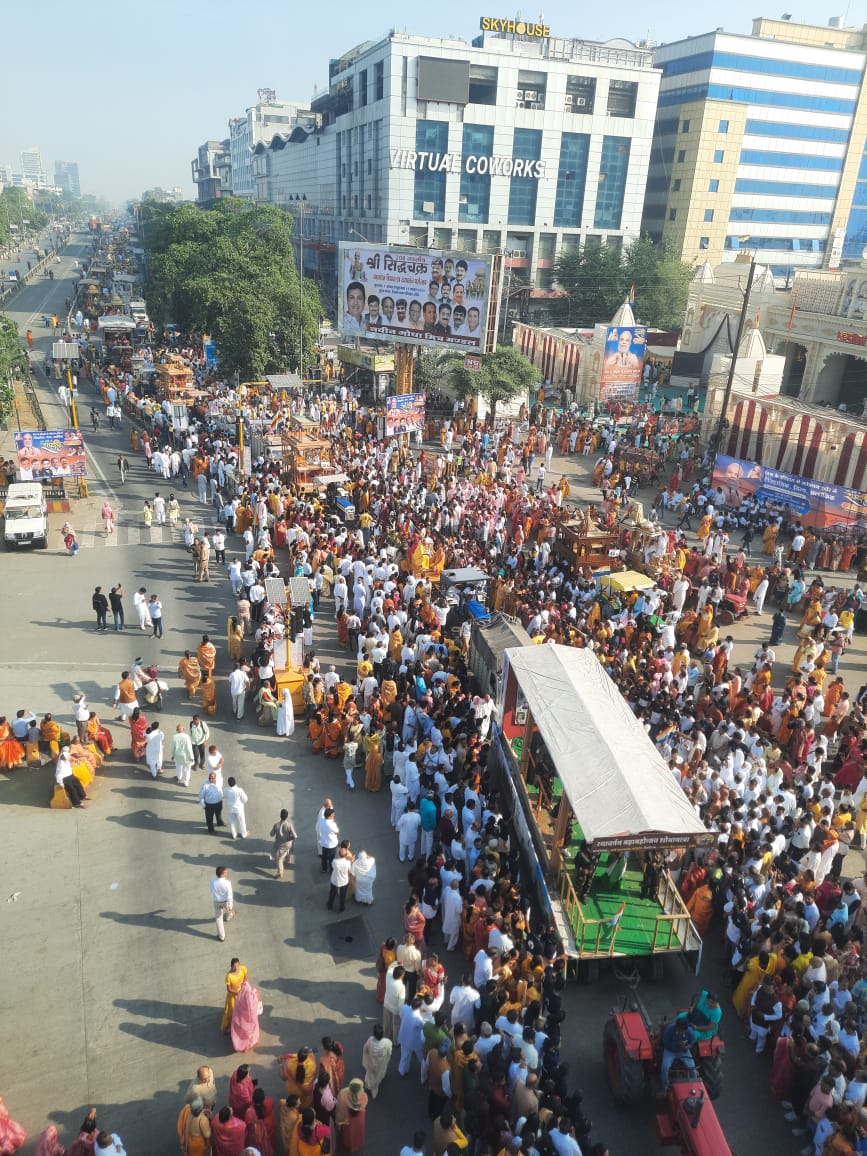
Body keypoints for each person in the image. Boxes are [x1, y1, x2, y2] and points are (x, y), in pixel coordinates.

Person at [660, 1015, 697, 1090]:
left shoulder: (689, 1031)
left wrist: (688, 1046)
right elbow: (665, 1043)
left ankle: (695, 1085)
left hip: (684, 1051)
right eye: (680, 1030)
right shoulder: (669, 1030)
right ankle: (666, 1086)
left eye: (684, 1031)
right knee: (664, 1067)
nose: (682, 1032)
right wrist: (677, 1044)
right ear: (677, 1027)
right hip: (670, 1051)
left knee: (692, 1068)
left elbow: (693, 1040)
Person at [334, 1079, 368, 1154]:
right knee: (357, 1132)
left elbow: (340, 1111)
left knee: (348, 1133)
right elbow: (363, 1106)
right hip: (359, 1119)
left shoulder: (343, 1094)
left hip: (347, 1120)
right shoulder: (362, 1097)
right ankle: (355, 1145)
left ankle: (348, 1144)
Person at [361, 1023, 393, 1100]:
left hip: (371, 1064)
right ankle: (374, 1092)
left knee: (370, 1076)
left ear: (374, 1033)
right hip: (381, 1065)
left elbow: (365, 1050)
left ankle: (369, 1086)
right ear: (382, 1034)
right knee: (379, 1076)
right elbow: (389, 1052)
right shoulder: (387, 1042)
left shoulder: (370, 1041)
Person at [231, 977, 262, 1053]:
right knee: (250, 1032)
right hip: (248, 1018)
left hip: (242, 1018)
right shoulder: (248, 995)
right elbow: (251, 1007)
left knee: (242, 1031)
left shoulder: (240, 997)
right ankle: (248, 1044)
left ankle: (244, 1045)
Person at [222, 957, 249, 1033]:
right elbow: (229, 989)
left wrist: (244, 986)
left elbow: (245, 978)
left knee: (243, 1011)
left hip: (242, 993)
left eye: (238, 966)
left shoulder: (243, 969)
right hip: (233, 997)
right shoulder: (229, 976)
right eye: (235, 966)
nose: (237, 968)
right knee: (232, 1013)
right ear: (231, 967)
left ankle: (242, 1026)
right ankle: (231, 1027)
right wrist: (237, 993)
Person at [271, 809, 298, 879]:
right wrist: (289, 839)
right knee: (288, 850)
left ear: (280, 816)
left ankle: (280, 873)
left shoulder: (276, 825)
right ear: (287, 816)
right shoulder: (289, 825)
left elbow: (271, 834)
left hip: (280, 844)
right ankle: (287, 861)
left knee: (279, 859)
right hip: (288, 844)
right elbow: (295, 836)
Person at [211, 864, 235, 941]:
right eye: (225, 872)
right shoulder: (227, 883)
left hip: (217, 902)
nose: (227, 873)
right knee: (229, 911)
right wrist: (231, 907)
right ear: (222, 874)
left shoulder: (212, 881)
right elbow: (230, 896)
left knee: (218, 919)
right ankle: (228, 916)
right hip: (225, 902)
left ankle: (221, 937)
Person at [328, 844, 353, 912]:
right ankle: (341, 908)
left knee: (332, 893)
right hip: (344, 881)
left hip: (335, 880)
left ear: (339, 854)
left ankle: (330, 905)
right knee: (343, 895)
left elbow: (332, 867)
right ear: (345, 855)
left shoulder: (335, 862)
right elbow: (350, 871)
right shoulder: (348, 863)